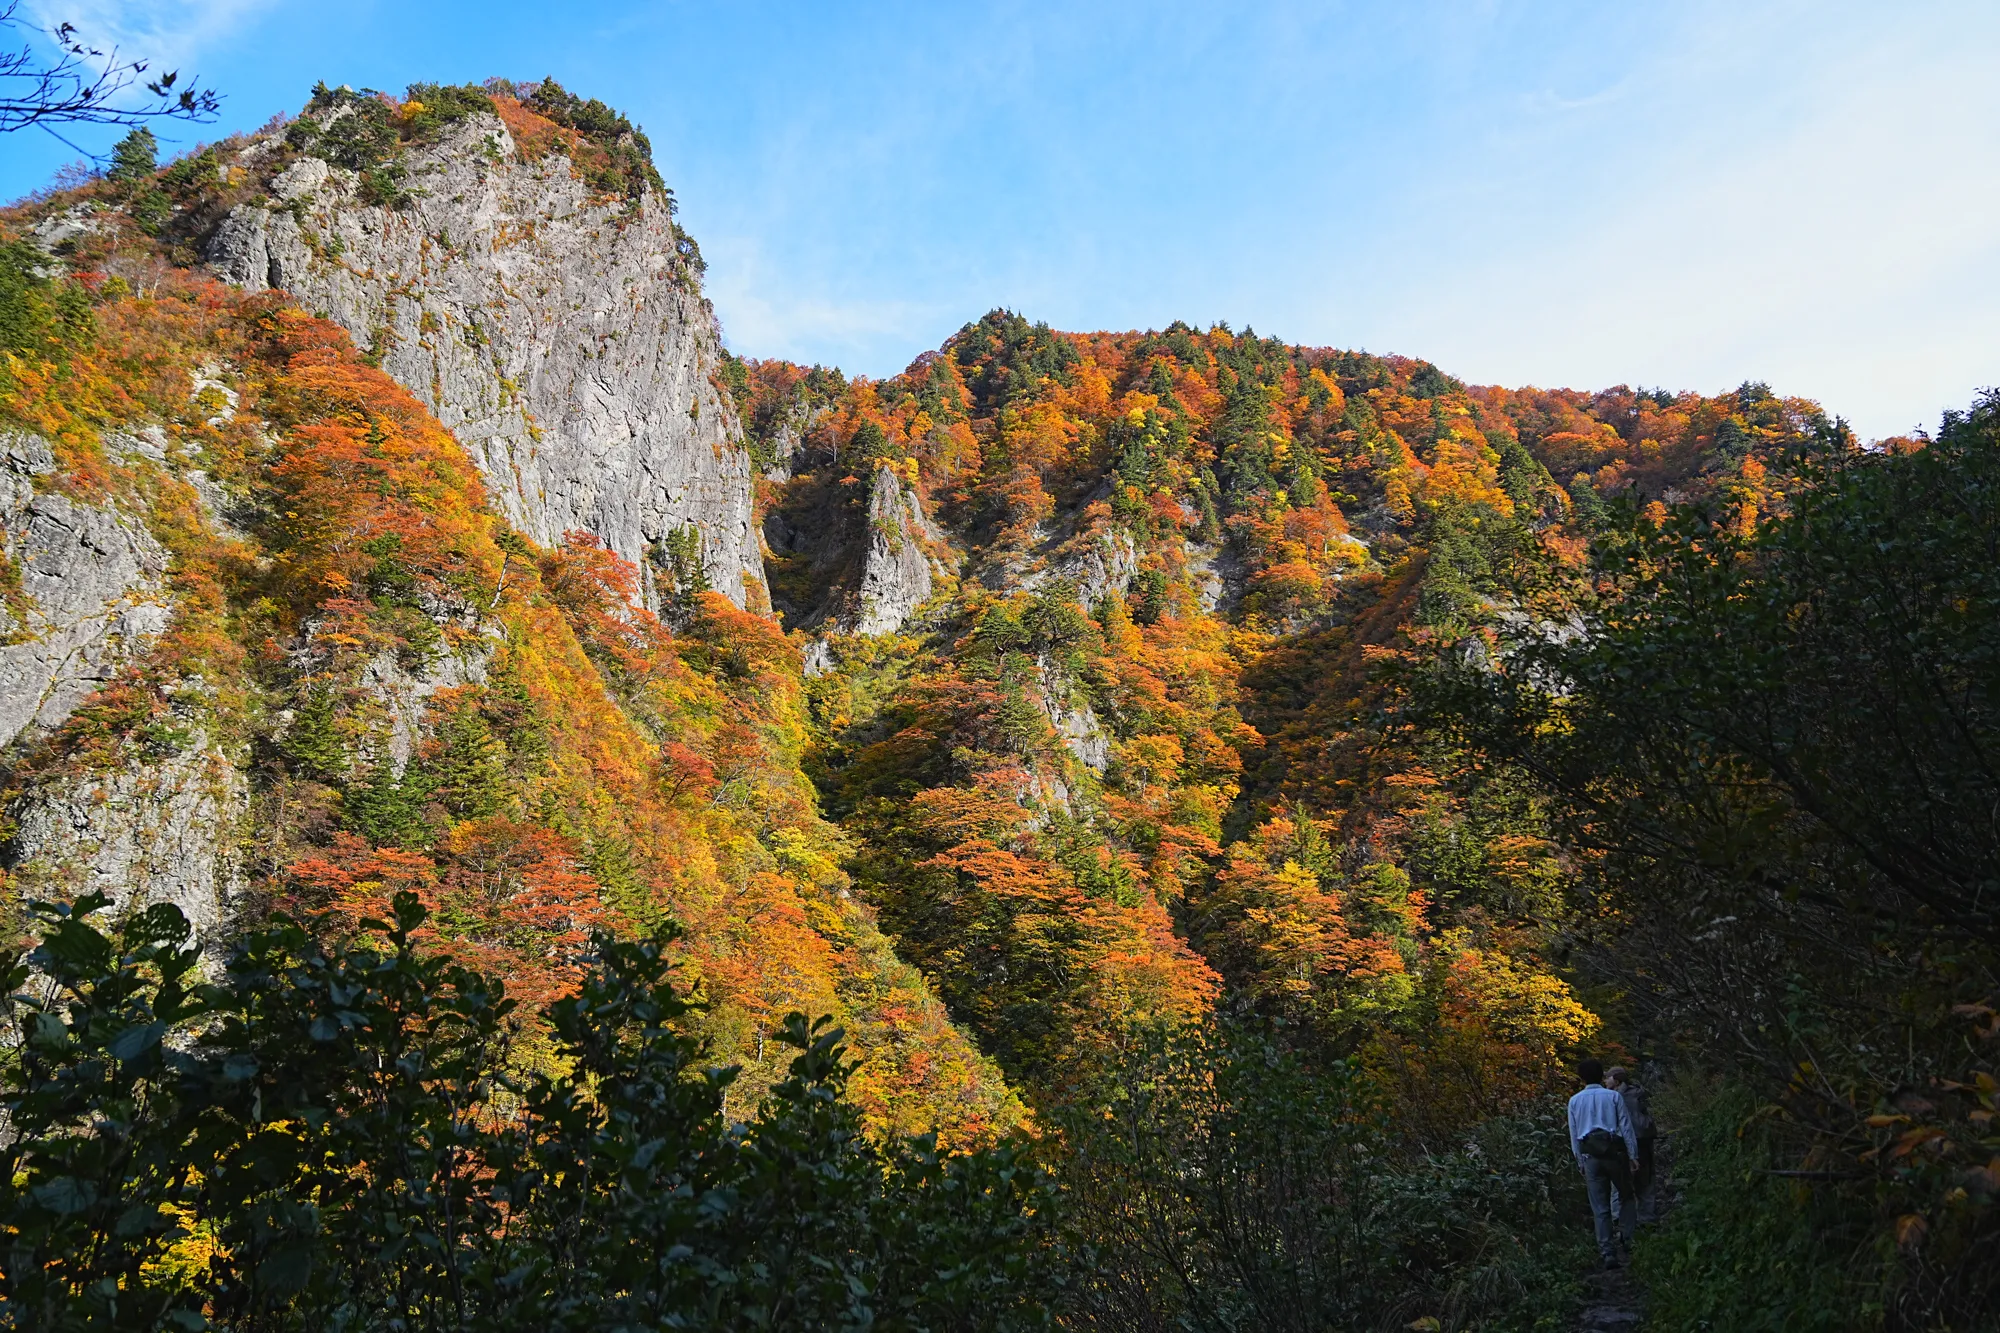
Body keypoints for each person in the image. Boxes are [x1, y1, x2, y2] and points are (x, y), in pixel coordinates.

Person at [1567, 1056, 1639, 1268]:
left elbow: (1574, 1136)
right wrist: (1634, 1155)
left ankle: (1607, 1251)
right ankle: (1628, 1238)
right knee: (1626, 1196)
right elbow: (1626, 1127)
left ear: (1581, 1078)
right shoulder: (1613, 1097)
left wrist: (1579, 1161)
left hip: (1590, 1157)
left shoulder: (1574, 1100)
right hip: (1615, 1154)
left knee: (1599, 1206)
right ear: (1601, 1076)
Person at [1606, 1065, 1657, 1222]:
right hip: (1644, 1143)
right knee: (1645, 1183)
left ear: (1617, 1080)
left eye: (1607, 1077)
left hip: (1624, 1145)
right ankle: (1647, 1219)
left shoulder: (1612, 1098)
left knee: (1618, 1185)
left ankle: (1618, 1220)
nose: (1605, 1080)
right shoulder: (1638, 1092)